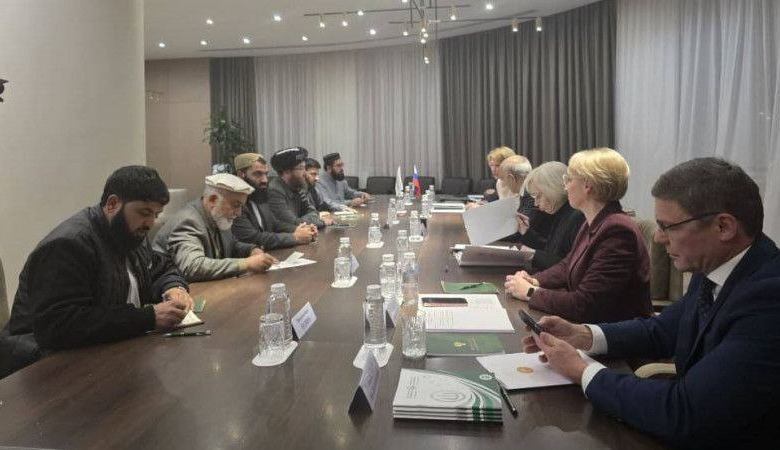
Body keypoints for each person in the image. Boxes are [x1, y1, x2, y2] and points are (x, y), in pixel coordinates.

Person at [521, 158, 780, 448]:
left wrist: (581, 371)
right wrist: (583, 335)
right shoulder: (714, 266)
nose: (657, 237)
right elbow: (662, 330)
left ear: (723, 227)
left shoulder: (769, 299)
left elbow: (685, 411)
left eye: (668, 226)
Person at [0, 166, 193, 378]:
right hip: (41, 366)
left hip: (103, 353)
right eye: (144, 213)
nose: (150, 223)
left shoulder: (132, 235)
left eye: (156, 215)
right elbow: (60, 326)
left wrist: (174, 287)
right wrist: (148, 317)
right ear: (112, 204)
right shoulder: (68, 245)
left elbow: (160, 267)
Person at [505, 148, 652, 323]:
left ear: (587, 185)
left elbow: (586, 304)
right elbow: (567, 265)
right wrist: (534, 280)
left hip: (613, 332)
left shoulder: (617, 230)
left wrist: (530, 292)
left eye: (568, 180)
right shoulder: (595, 221)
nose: (565, 187)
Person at [154, 173, 277, 282]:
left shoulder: (218, 215)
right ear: (213, 200)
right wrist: (245, 264)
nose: (239, 213)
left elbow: (232, 244)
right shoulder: (188, 221)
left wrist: (251, 250)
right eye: (236, 205)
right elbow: (193, 267)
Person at [231, 153, 317, 249]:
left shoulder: (258, 196)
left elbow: (275, 225)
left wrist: (302, 230)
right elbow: (252, 238)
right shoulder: (234, 203)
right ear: (240, 175)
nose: (264, 180)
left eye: (266, 174)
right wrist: (294, 237)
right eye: (258, 174)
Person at [516, 162, 585, 272]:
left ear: (553, 190)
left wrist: (534, 255)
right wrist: (526, 232)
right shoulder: (560, 211)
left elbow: (569, 265)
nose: (536, 203)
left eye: (538, 196)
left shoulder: (577, 216)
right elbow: (549, 249)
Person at [267, 147, 326, 230]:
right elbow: (294, 224)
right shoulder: (274, 192)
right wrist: (320, 221)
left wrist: (307, 220)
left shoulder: (297, 186)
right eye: (301, 168)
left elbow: (313, 212)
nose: (305, 173)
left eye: (305, 168)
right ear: (287, 172)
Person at [498, 155, 553, 244]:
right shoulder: (526, 193)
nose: (505, 185)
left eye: (503, 180)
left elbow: (518, 230)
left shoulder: (532, 195)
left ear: (511, 178)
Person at [304, 158, 340, 223]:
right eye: (313, 174)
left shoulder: (314, 189)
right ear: (303, 173)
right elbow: (303, 215)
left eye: (317, 174)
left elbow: (323, 206)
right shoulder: (299, 192)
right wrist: (318, 215)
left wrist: (341, 208)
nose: (317, 178)